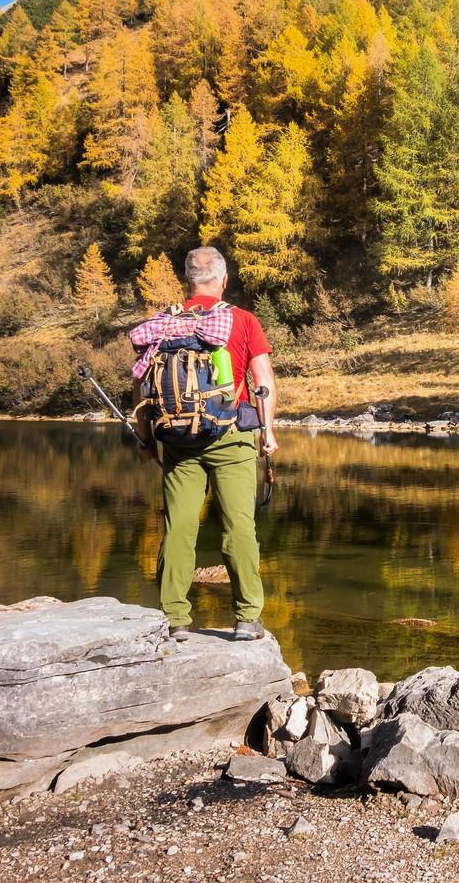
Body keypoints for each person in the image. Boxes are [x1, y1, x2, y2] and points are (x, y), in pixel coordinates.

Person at [128, 246, 276, 642]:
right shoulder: (241, 320)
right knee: (238, 526)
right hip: (232, 437)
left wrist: (146, 437)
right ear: (224, 279)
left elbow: (141, 387)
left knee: (178, 527)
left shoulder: (163, 323)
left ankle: (175, 619)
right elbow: (263, 382)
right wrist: (267, 432)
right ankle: (247, 618)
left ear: (188, 280)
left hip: (178, 439)